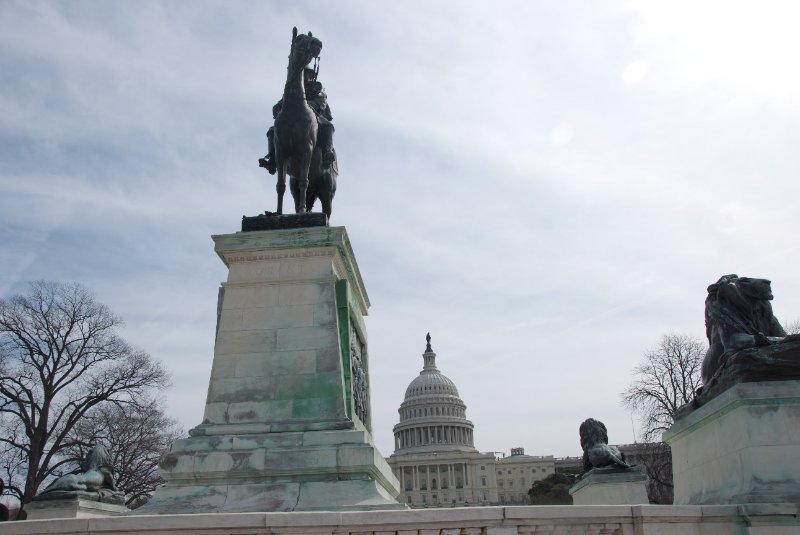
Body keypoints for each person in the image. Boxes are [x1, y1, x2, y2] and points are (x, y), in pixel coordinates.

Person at [259, 67, 336, 174]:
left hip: (314, 115)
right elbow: (278, 106)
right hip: (293, 118)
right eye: (302, 73)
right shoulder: (291, 89)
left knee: (328, 126)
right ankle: (272, 159)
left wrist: (305, 106)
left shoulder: (317, 87)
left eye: (306, 74)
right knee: (272, 130)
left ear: (311, 76)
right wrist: (281, 111)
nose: (304, 76)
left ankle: (327, 152)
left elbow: (321, 102)